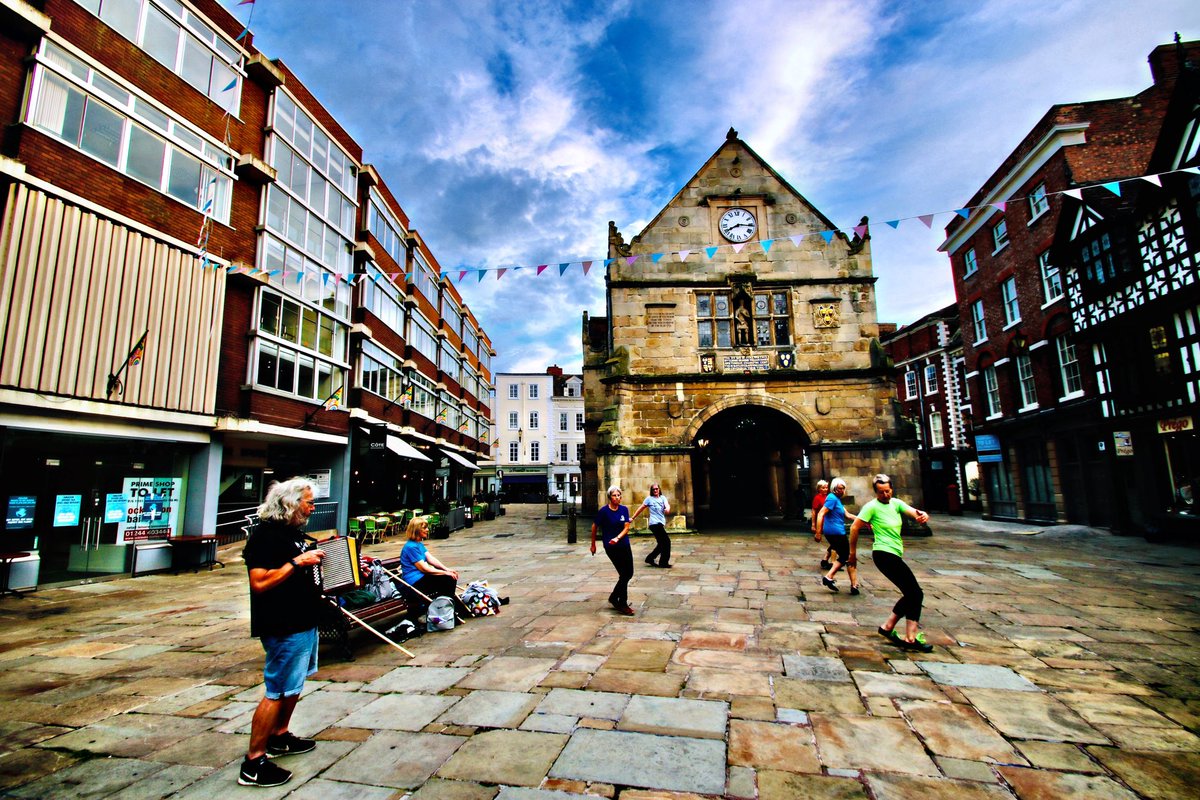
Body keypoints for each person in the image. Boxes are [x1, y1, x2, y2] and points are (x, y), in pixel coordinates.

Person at [239, 477, 325, 788]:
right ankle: (253, 761)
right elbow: (259, 582)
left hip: (303, 620)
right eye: (308, 502)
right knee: (276, 690)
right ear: (289, 502)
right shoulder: (265, 536)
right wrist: (297, 561)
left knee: (293, 685)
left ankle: (279, 736)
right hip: (282, 623)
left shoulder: (292, 534)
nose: (312, 508)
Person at [849, 474, 933, 652]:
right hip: (883, 554)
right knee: (915, 593)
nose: (885, 495)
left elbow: (913, 512)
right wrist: (852, 553)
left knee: (912, 593)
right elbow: (854, 527)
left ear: (891, 489)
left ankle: (888, 627)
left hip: (894, 553)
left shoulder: (896, 504)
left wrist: (922, 515)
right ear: (876, 492)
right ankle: (910, 638)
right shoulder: (871, 507)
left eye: (887, 491)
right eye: (881, 492)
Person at [590, 485, 635, 615]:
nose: (617, 498)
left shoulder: (624, 510)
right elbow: (594, 527)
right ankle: (622, 603)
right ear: (610, 497)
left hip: (624, 544)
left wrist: (618, 537)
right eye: (614, 495)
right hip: (611, 547)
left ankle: (614, 597)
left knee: (629, 573)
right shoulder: (604, 511)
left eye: (619, 495)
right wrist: (593, 544)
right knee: (624, 574)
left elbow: (626, 527)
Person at [815, 478, 860, 595]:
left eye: (843, 488)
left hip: (836, 532)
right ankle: (829, 576)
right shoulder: (831, 498)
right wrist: (818, 532)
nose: (842, 490)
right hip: (835, 532)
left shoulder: (837, 500)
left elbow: (848, 515)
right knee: (847, 556)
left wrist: (864, 521)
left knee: (847, 556)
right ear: (834, 489)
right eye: (840, 488)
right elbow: (820, 513)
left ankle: (853, 584)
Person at [400, 516, 460, 603]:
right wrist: (445, 572)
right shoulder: (411, 547)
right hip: (414, 581)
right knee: (448, 579)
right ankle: (444, 606)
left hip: (421, 577)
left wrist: (447, 569)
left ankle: (445, 605)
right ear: (416, 530)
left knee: (449, 578)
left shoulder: (418, 543)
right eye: (424, 528)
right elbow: (424, 569)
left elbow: (431, 559)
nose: (427, 530)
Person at [631, 483, 672, 567]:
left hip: (660, 523)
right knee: (666, 542)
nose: (655, 490)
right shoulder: (649, 499)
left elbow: (667, 505)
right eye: (653, 489)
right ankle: (663, 563)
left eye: (657, 489)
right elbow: (641, 508)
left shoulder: (662, 498)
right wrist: (633, 517)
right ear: (651, 491)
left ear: (659, 489)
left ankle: (650, 558)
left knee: (661, 543)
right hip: (654, 524)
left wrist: (667, 509)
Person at [810, 480, 833, 569]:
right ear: (819, 489)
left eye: (826, 487)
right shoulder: (817, 498)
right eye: (823, 488)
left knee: (834, 542)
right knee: (835, 542)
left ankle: (827, 560)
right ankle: (829, 561)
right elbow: (814, 511)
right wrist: (813, 524)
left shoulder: (829, 497)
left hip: (830, 521)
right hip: (823, 522)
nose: (825, 489)